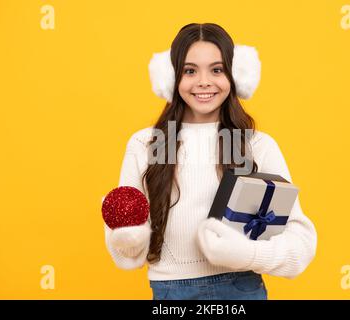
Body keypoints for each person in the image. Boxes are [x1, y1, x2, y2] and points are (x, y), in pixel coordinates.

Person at [103, 23, 317, 300]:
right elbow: (127, 255)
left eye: (217, 69)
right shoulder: (145, 145)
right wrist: (127, 237)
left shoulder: (257, 146)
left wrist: (246, 253)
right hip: (171, 293)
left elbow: (300, 244)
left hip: (242, 291)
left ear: (235, 75)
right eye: (190, 71)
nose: (204, 81)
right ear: (171, 78)